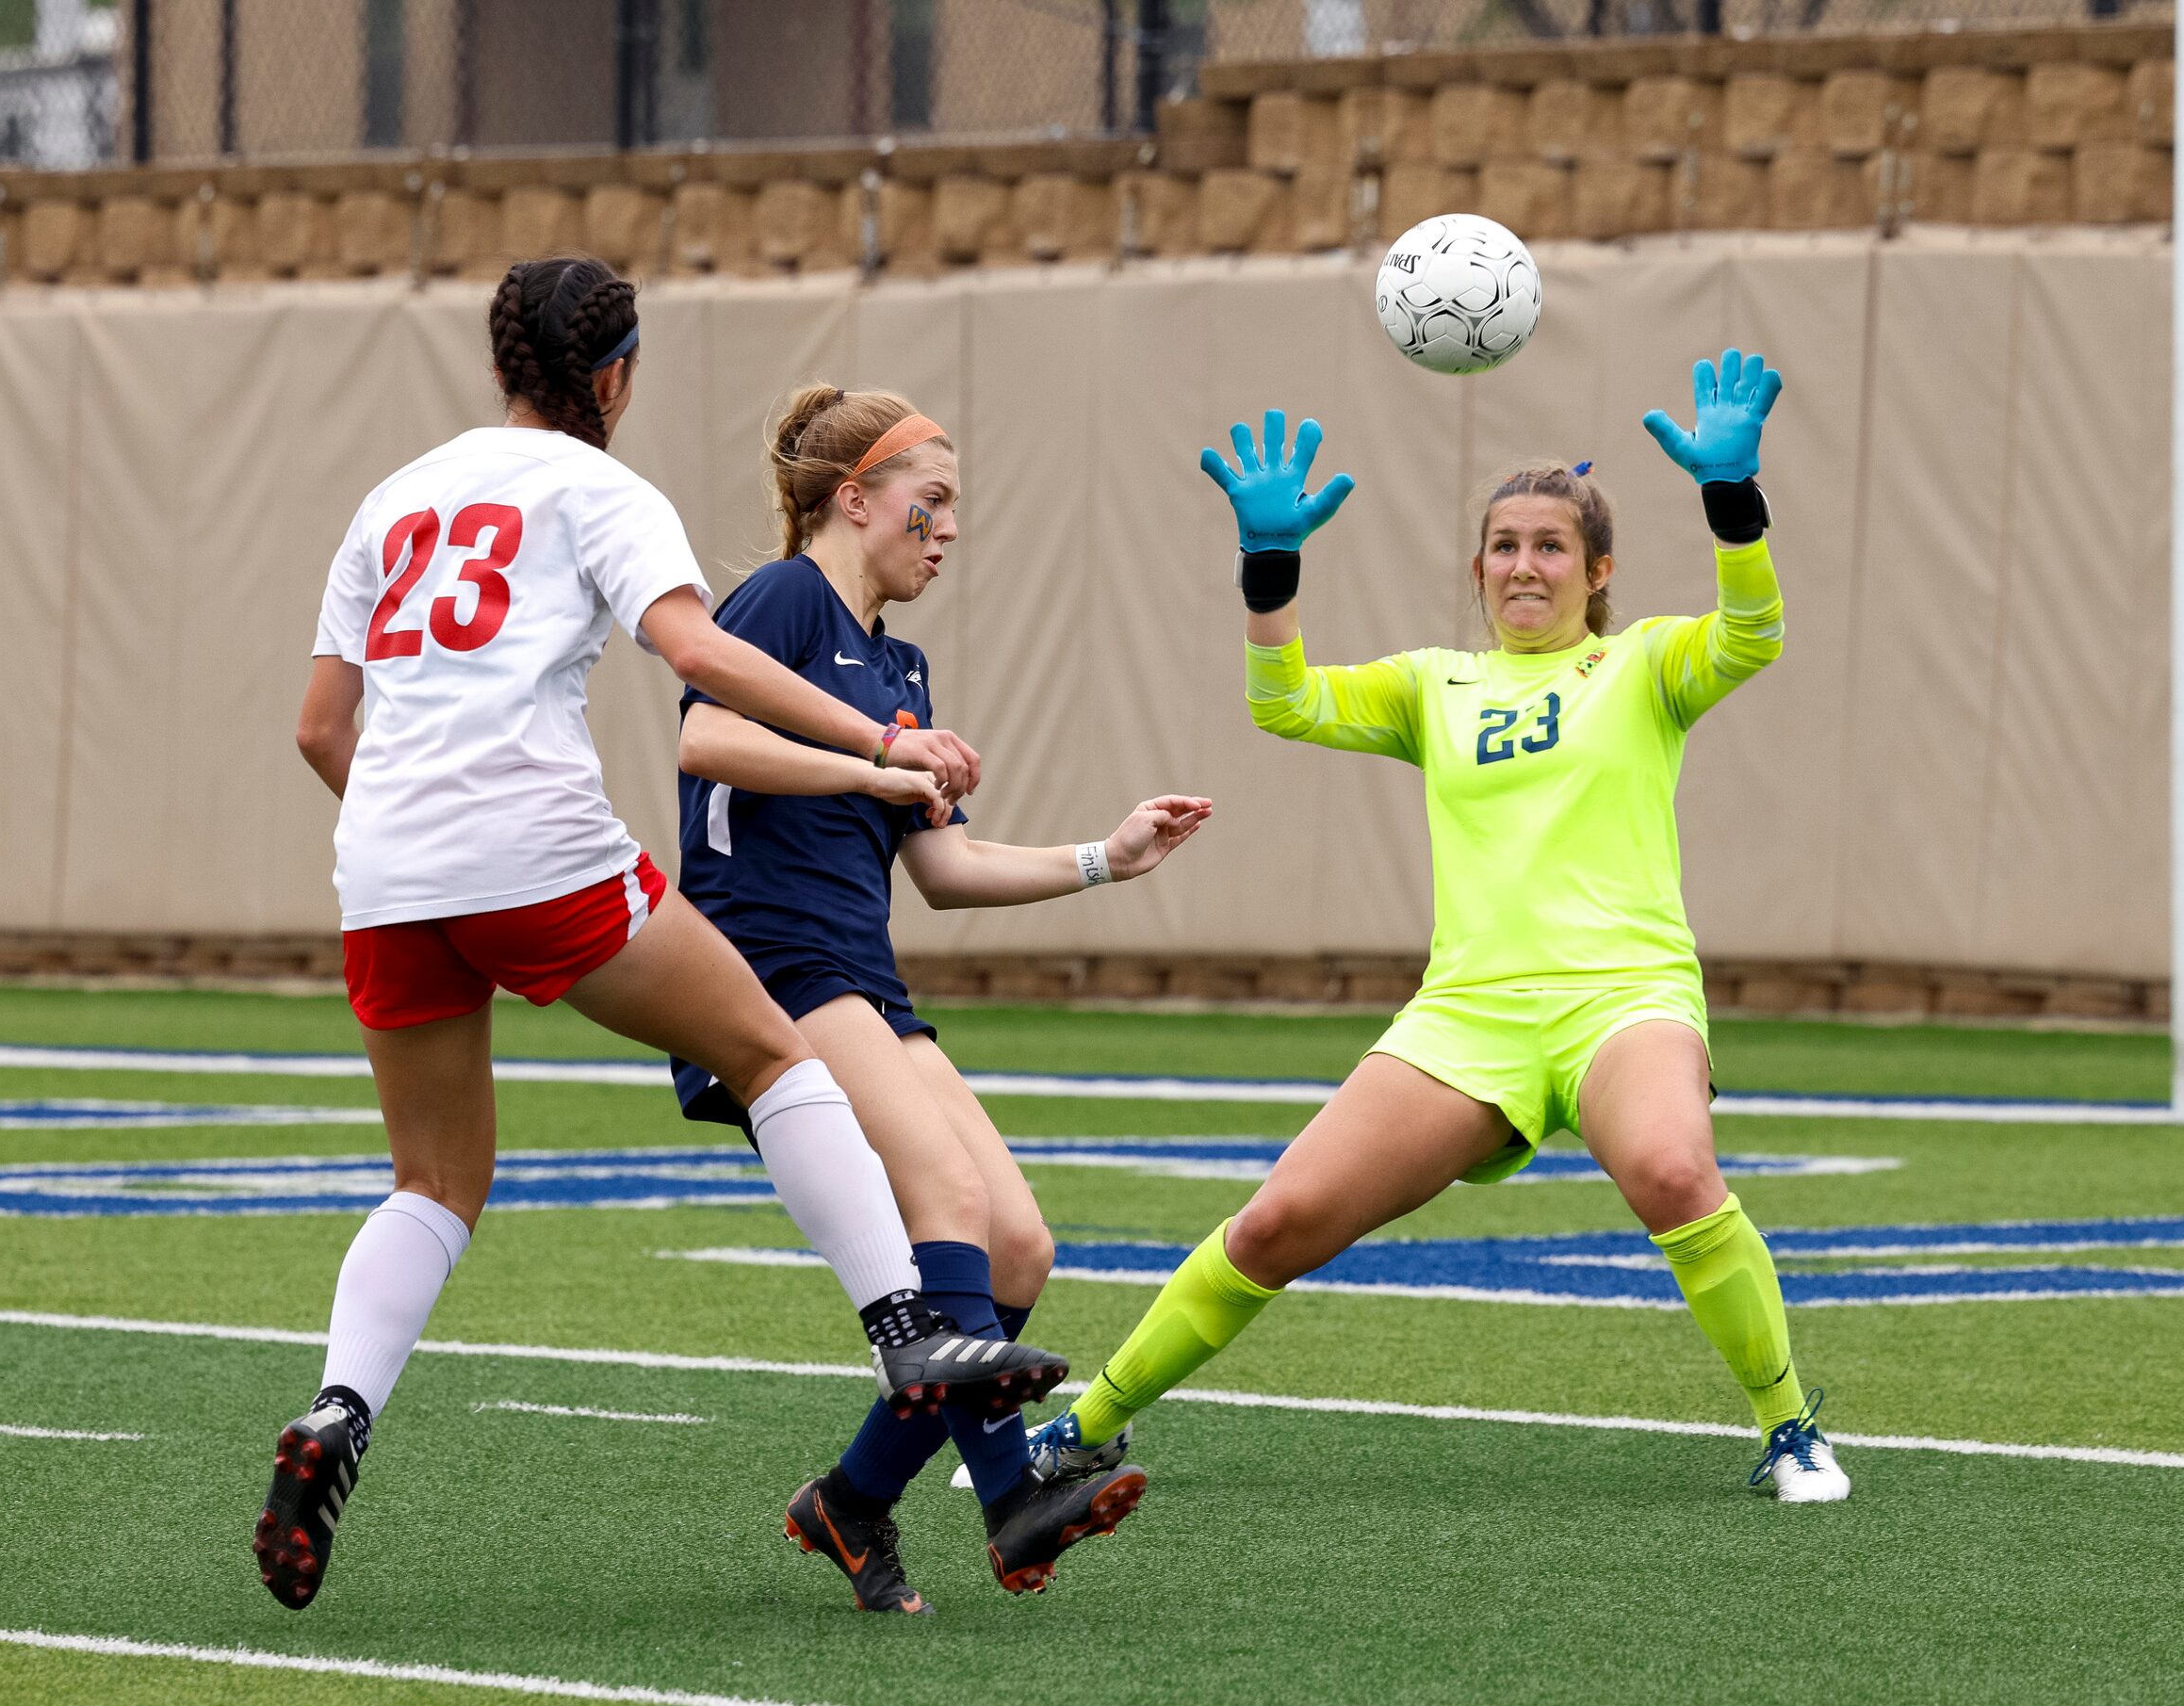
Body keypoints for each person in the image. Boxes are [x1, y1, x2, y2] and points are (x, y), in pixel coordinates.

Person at [256, 257, 1062, 1613]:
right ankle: (910, 1333)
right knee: (768, 1047)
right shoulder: (603, 487)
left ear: (506, 362)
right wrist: (881, 736)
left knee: (434, 1181)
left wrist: (436, 865)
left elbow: (318, 730)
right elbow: (695, 658)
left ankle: (338, 1410)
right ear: (616, 373)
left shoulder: (393, 496)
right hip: (531, 841)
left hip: (386, 863)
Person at [1026, 350, 1851, 1503]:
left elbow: (1752, 630)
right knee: (1280, 1222)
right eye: (1505, 546)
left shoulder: (1644, 661)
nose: (1525, 564)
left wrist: (1730, 494)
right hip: (1467, 1017)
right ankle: (1086, 1424)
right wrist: (1269, 562)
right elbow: (1284, 700)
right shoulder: (1433, 685)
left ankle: (1789, 1428)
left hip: (1624, 995)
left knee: (1672, 1169)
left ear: (1596, 568)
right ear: (1478, 568)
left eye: (1551, 546)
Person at [671, 384, 1213, 1611]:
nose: (950, 524)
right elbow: (705, 739)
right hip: (766, 970)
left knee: (1017, 1243)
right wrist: (878, 749)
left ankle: (852, 1502)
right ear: (853, 497)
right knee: (950, 1198)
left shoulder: (901, 661)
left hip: (863, 975)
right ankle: (1016, 1493)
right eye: (934, 497)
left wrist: (1102, 859)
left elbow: (944, 866)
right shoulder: (785, 597)